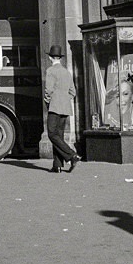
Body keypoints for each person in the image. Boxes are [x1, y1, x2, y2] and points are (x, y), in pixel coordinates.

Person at [43, 44, 80, 174]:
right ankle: (57, 166)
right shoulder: (66, 72)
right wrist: (64, 99)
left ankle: (71, 155)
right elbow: (73, 92)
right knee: (59, 136)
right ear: (60, 58)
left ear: (50, 58)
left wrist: (48, 102)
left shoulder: (50, 71)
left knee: (52, 134)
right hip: (65, 108)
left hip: (54, 107)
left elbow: (48, 90)